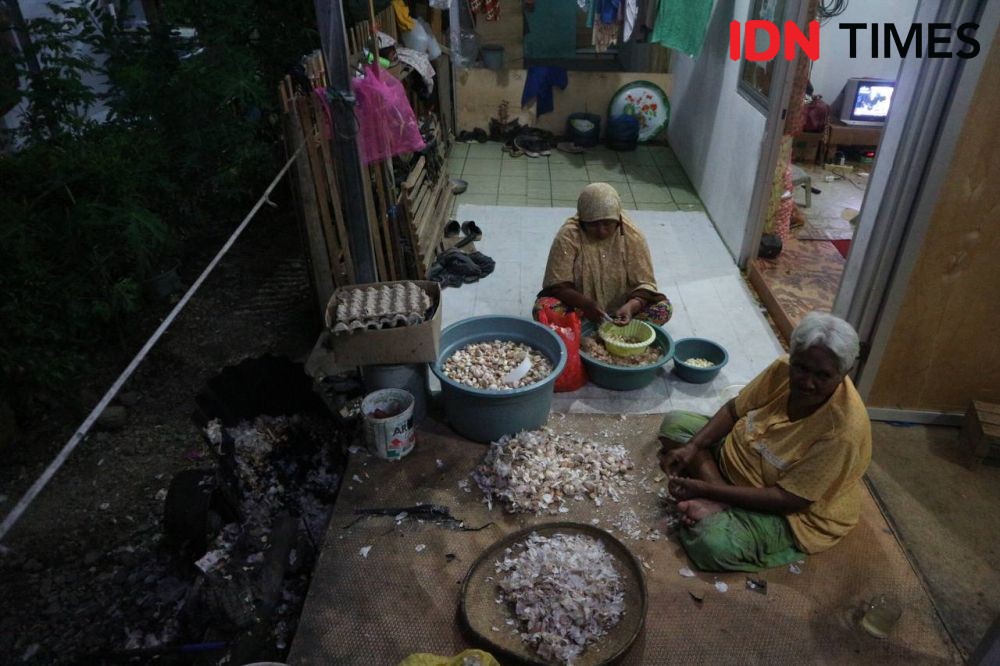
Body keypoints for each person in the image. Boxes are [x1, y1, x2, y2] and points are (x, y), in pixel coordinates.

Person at [658, 312, 871, 572]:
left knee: (710, 544)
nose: (807, 382)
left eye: (822, 376)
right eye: (801, 368)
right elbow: (733, 410)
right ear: (792, 357)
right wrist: (692, 447)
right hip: (744, 459)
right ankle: (726, 498)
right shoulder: (782, 369)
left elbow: (789, 499)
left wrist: (704, 489)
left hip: (789, 507)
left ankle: (725, 501)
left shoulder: (843, 430)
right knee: (675, 424)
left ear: (844, 373)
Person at [533, 182, 672, 326]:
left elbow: (645, 283)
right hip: (579, 307)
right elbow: (557, 285)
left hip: (624, 308)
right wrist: (584, 304)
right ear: (582, 221)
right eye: (593, 224)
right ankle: (581, 327)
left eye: (607, 223)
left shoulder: (632, 236)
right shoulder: (568, 236)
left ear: (617, 220)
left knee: (663, 309)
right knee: (543, 308)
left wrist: (632, 306)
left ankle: (620, 326)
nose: (601, 231)